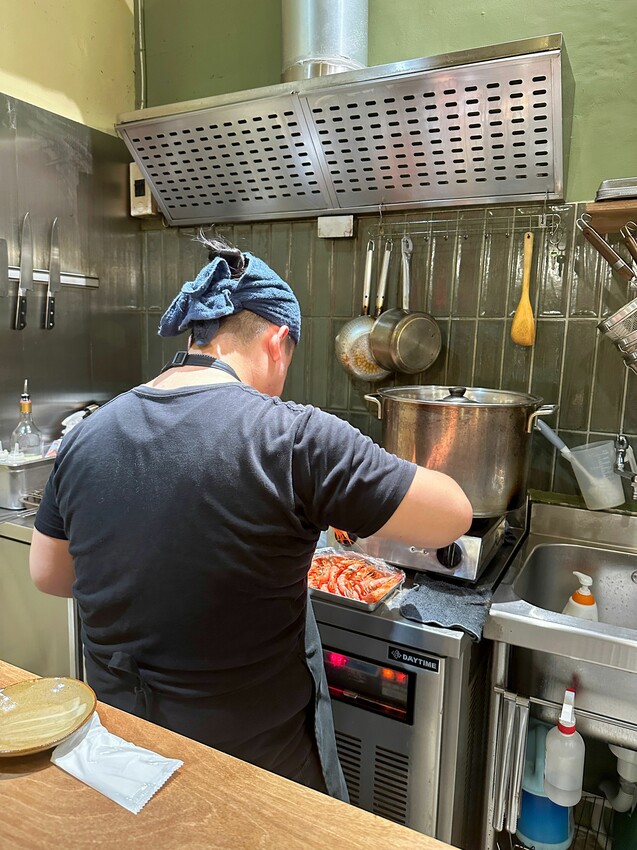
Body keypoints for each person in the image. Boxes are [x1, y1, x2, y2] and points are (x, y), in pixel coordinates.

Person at [30, 235, 472, 800]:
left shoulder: (93, 431)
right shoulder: (294, 437)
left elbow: (51, 575)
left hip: (122, 756)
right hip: (253, 768)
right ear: (278, 340)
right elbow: (452, 516)